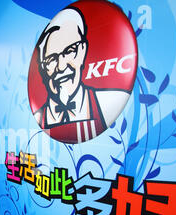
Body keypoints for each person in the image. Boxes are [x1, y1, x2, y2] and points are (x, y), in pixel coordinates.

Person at [34, 7, 130, 143]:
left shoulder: (110, 101)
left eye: (69, 51)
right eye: (51, 59)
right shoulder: (38, 116)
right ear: (43, 68)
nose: (61, 66)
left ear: (83, 51)